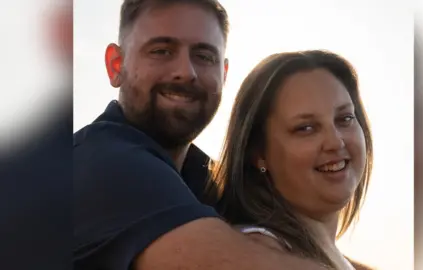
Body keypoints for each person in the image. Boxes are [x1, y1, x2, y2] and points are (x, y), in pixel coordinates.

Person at [74, 0, 333, 269]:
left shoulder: (207, 180)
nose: (186, 72)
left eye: (204, 56)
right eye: (161, 51)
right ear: (116, 65)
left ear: (224, 73)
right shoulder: (100, 163)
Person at [208, 50, 375, 269]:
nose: (335, 142)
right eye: (305, 128)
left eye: (345, 119)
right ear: (258, 153)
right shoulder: (255, 255)